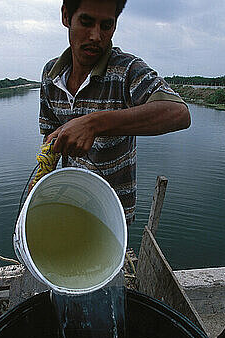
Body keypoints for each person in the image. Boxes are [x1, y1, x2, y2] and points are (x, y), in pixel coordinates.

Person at [34, 0, 191, 224]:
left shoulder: (127, 70)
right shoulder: (51, 73)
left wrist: (94, 124)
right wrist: (41, 183)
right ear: (66, 17)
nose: (96, 36)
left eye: (106, 25)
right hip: (71, 202)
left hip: (113, 213)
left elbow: (179, 113)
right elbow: (49, 141)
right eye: (86, 22)